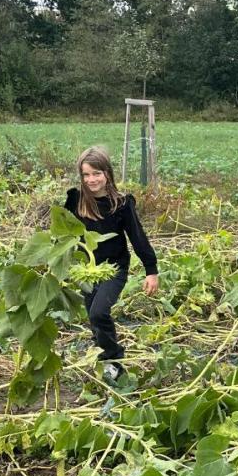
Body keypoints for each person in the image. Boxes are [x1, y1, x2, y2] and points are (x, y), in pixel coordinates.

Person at [64, 146, 159, 381]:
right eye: (86, 175)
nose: (91, 180)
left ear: (107, 173)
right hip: (87, 271)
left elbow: (138, 237)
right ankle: (101, 355)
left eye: (96, 173)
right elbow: (62, 233)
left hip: (113, 268)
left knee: (99, 313)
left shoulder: (121, 204)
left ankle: (114, 361)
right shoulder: (76, 200)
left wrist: (151, 270)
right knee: (92, 315)